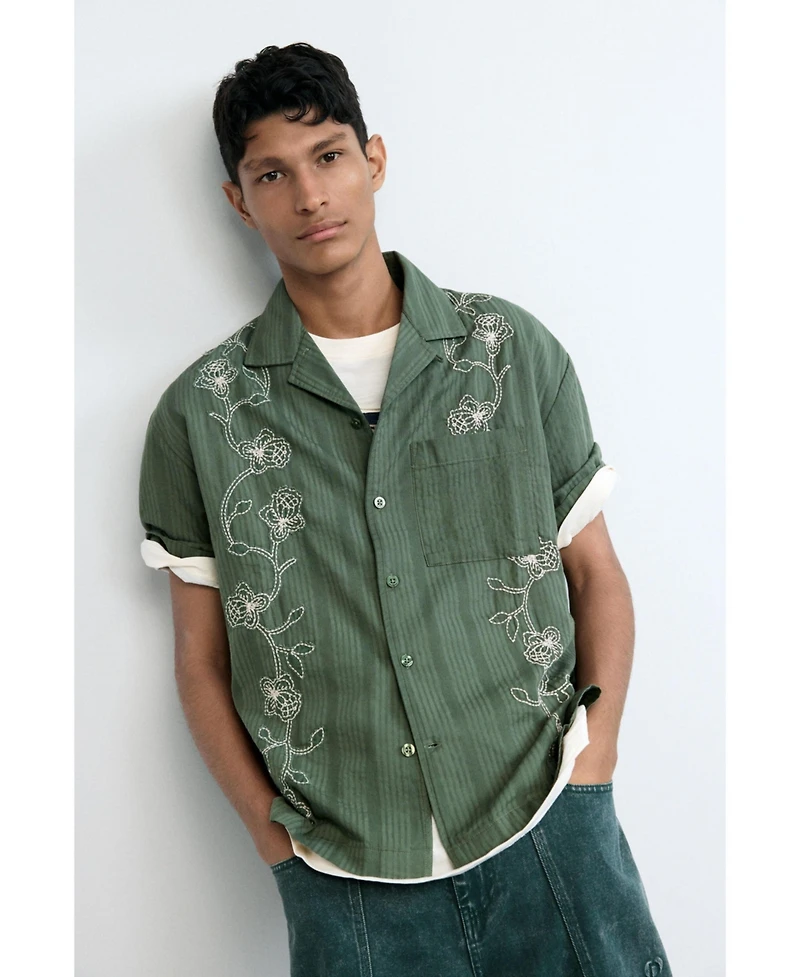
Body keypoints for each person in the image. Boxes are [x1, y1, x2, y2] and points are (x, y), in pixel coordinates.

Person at [138, 41, 672, 977]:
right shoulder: (202, 413)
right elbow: (200, 659)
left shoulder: (508, 353)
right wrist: (275, 842)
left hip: (548, 827)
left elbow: (595, 575)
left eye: (329, 156)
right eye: (273, 173)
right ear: (240, 200)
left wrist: (595, 765)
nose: (311, 196)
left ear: (373, 159)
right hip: (342, 870)